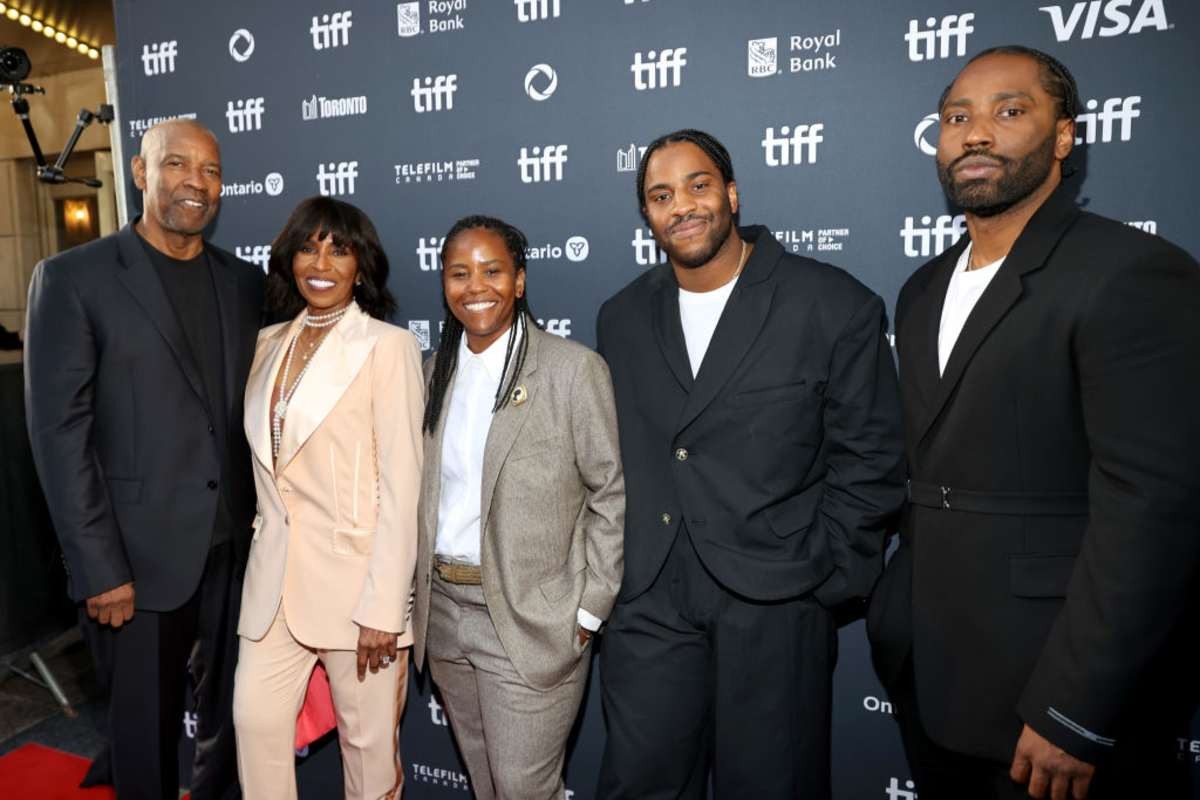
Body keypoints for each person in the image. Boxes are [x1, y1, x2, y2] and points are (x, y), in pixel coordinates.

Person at [867, 46, 1200, 800]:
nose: (976, 133)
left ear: (1064, 137)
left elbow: (1153, 511)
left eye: (1009, 111)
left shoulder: (1130, 272)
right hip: (930, 675)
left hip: (1049, 695)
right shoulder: (922, 288)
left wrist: (1075, 708)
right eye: (957, 117)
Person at [595, 129, 906, 799]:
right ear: (647, 215)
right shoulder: (621, 317)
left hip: (776, 597)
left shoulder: (831, 303)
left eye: (698, 185)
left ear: (732, 194)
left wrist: (820, 578)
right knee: (639, 784)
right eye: (661, 195)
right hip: (649, 598)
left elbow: (873, 458)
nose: (682, 205)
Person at [24, 119, 262, 799]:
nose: (196, 182)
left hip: (238, 554)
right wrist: (99, 567)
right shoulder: (74, 278)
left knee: (234, 728)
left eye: (211, 170)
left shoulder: (243, 282)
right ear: (139, 171)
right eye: (177, 164)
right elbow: (59, 433)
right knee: (144, 741)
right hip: (133, 564)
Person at [410, 215, 624, 799]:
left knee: (523, 788)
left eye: (492, 271)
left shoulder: (571, 370)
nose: (475, 286)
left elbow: (609, 492)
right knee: (487, 785)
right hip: (444, 616)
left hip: (529, 620)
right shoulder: (433, 374)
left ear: (520, 280)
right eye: (459, 273)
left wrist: (589, 610)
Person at [232, 197, 423, 800]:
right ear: (289, 260)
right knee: (254, 725)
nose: (321, 263)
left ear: (361, 266)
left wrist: (385, 609)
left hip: (358, 594)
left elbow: (403, 485)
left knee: (369, 760)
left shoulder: (387, 347)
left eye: (339, 250)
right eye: (308, 248)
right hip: (272, 587)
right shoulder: (267, 344)